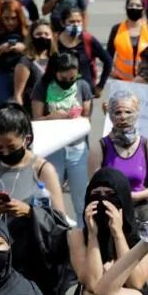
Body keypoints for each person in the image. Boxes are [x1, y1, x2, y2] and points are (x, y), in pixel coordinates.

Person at [0, 102, 68, 218]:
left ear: (26, 140)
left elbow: (60, 220)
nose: (5, 152)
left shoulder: (43, 170)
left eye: (12, 147)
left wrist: (29, 212)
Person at [31, 51, 94, 219]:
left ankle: (84, 235)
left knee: (82, 199)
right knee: (51, 198)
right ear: (55, 73)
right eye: (64, 79)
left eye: (72, 78)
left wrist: (78, 117)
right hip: (52, 148)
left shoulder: (83, 86)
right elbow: (35, 120)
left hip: (77, 148)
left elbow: (87, 118)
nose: (69, 82)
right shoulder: (43, 86)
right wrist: (52, 117)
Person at [91, 92, 148, 219]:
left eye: (128, 112)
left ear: (136, 113)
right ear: (110, 115)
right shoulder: (100, 148)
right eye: (118, 112)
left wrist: (135, 196)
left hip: (140, 213)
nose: (123, 117)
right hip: (110, 212)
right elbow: (94, 186)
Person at [55, 6, 111, 96]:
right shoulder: (55, 41)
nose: (76, 25)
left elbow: (108, 61)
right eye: (71, 22)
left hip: (84, 93)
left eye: (78, 21)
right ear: (63, 23)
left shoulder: (88, 39)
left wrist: (100, 86)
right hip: (60, 92)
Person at [0, 0, 29, 106]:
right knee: (4, 108)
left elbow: (40, 54)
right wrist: (1, 49)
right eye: (6, 18)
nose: (10, 22)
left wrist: (24, 48)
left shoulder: (27, 30)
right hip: (2, 74)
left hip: (24, 74)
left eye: (13, 18)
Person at [106, 0, 148, 82]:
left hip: (144, 80)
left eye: (138, 6)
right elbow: (108, 53)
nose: (134, 8)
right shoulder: (117, 29)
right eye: (131, 5)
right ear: (126, 8)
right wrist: (109, 70)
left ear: (143, 9)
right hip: (121, 79)